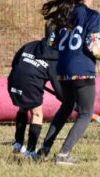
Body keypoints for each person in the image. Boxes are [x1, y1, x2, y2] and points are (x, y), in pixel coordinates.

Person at [35, 0, 100, 165]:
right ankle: (63, 155)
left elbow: (51, 43)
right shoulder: (93, 16)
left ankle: (43, 150)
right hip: (82, 70)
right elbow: (93, 46)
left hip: (62, 69)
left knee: (66, 108)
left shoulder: (62, 16)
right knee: (86, 113)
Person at [7, 26, 63, 160]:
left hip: (14, 81)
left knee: (23, 108)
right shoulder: (54, 57)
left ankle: (18, 143)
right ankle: (31, 151)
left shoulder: (30, 45)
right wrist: (66, 100)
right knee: (37, 114)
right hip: (30, 84)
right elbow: (57, 84)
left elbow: (15, 62)